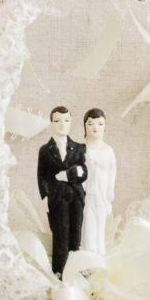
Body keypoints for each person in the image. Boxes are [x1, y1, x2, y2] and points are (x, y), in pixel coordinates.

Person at [37, 106, 88, 276]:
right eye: (57, 120)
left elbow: (83, 172)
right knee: (60, 235)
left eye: (66, 120)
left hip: (76, 197)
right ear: (51, 123)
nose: (62, 124)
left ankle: (76, 271)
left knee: (75, 234)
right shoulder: (45, 150)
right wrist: (46, 197)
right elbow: (42, 176)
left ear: (71, 122)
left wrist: (68, 175)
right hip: (57, 199)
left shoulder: (79, 148)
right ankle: (59, 272)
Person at [81, 108, 117, 254]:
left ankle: (100, 252)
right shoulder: (81, 149)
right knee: (88, 220)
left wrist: (110, 191)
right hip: (87, 192)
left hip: (102, 193)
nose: (95, 127)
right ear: (85, 126)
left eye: (100, 124)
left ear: (105, 127)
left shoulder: (108, 150)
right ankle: (88, 251)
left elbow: (112, 172)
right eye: (91, 123)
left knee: (100, 223)